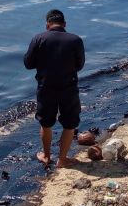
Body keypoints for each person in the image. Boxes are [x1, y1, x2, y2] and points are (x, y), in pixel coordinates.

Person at [24, 9, 85, 168]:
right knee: (70, 123)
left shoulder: (39, 38)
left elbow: (28, 64)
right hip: (69, 87)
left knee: (46, 123)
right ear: (64, 24)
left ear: (47, 25)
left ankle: (46, 155)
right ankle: (62, 159)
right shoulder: (75, 40)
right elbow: (80, 65)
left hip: (46, 87)